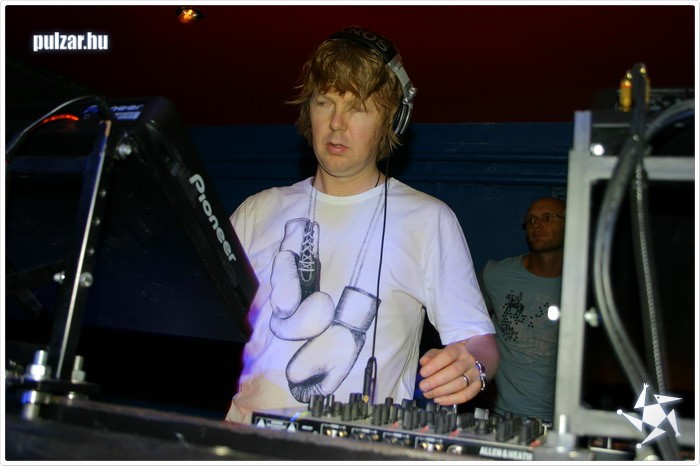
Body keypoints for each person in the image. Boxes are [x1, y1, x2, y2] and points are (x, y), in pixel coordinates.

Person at [225, 26, 498, 424]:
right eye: (325, 102)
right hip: (244, 439)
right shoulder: (257, 210)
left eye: (358, 108)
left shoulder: (428, 219)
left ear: (391, 121)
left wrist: (472, 365)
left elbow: (478, 338)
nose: (337, 123)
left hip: (359, 445)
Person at [479, 196, 566, 423]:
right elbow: (470, 334)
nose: (537, 225)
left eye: (548, 218)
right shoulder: (496, 275)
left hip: (561, 420)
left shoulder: (584, 284)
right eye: (531, 220)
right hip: (501, 416)